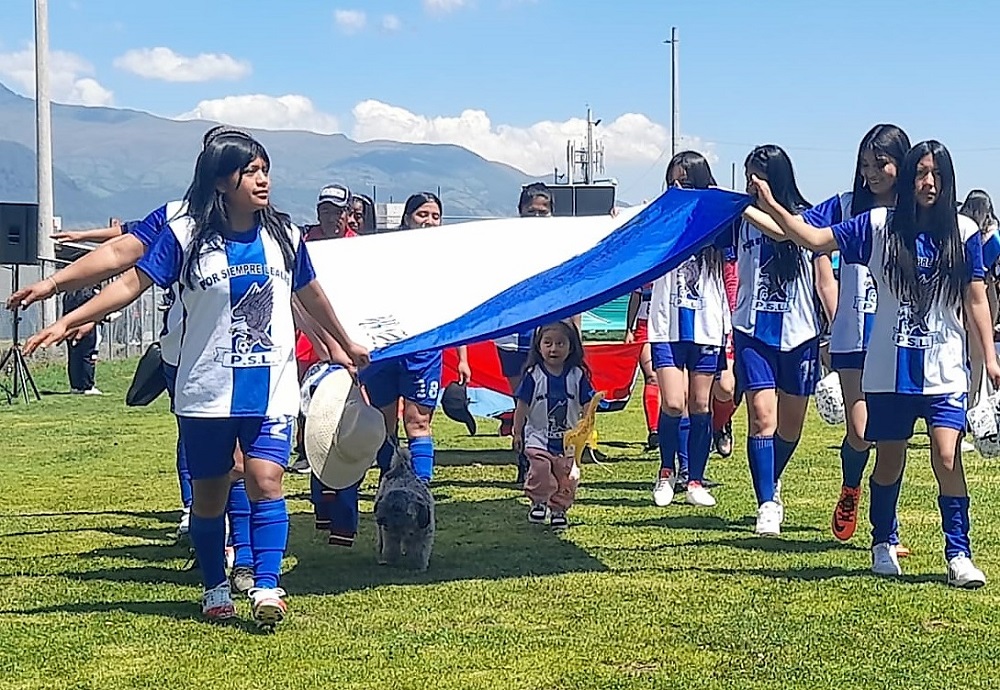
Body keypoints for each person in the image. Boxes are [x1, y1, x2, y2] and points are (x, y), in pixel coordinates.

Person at [25, 130, 370, 623]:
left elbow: (309, 293)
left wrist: (344, 341)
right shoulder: (184, 233)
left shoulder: (286, 236)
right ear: (220, 180)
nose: (263, 180)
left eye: (265, 170)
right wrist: (69, 315)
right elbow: (129, 278)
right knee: (210, 496)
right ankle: (214, 586)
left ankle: (266, 586)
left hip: (271, 388)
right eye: (250, 172)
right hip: (206, 391)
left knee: (266, 479)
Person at [750, 139, 997, 588]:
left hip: (944, 368)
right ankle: (883, 540)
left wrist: (991, 359)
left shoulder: (963, 232)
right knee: (888, 460)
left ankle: (959, 554)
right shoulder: (879, 225)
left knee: (947, 456)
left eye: (937, 174)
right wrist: (769, 204)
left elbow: (976, 298)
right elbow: (812, 239)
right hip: (886, 371)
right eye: (920, 173)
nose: (928, 183)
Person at [801, 124, 912, 543]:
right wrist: (755, 206)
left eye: (880, 163)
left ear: (901, 163)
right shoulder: (846, 206)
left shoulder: (914, 212)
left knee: (892, 441)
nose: (871, 173)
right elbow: (796, 229)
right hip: (853, 340)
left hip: (899, 341)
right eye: (865, 165)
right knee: (862, 433)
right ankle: (851, 487)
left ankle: (887, 531)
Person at [733, 145, 838, 536]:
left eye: (757, 176)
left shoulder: (809, 218)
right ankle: (766, 503)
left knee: (790, 427)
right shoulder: (738, 220)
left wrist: (836, 330)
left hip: (800, 334)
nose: (750, 184)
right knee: (763, 418)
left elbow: (824, 279)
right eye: (747, 176)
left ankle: (771, 477)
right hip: (752, 332)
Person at [360, 192, 471, 485]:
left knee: (418, 422)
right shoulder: (384, 253)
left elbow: (456, 311)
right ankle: (389, 482)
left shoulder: (448, 262)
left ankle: (421, 487)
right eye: (422, 214)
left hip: (424, 351)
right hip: (385, 349)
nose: (429, 221)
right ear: (407, 218)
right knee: (384, 423)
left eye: (435, 216)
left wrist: (462, 358)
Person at [648, 151, 731, 508]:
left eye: (684, 181)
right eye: (672, 183)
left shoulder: (717, 220)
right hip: (667, 325)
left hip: (707, 326)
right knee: (672, 401)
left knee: (700, 404)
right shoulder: (661, 218)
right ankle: (666, 472)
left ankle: (695, 478)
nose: (677, 188)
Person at [496, 182, 555, 485]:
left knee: (547, 402)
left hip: (549, 337)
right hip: (512, 338)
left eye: (543, 212)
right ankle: (524, 460)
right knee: (523, 401)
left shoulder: (562, 246)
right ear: (520, 212)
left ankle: (546, 462)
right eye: (531, 211)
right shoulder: (506, 245)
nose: (537, 217)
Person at [512, 320, 596, 529]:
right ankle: (539, 501)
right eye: (548, 343)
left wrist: (586, 425)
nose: (553, 349)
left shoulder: (577, 375)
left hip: (568, 441)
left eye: (560, 343)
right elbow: (522, 405)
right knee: (540, 467)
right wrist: (517, 432)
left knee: (566, 476)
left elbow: (588, 401)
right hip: (538, 436)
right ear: (538, 346)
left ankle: (559, 509)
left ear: (571, 347)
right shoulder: (533, 375)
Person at [960, 189, 1000, 409]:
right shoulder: (991, 236)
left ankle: (972, 401)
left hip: (960, 293)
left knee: (968, 351)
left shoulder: (960, 230)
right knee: (978, 353)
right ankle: (973, 403)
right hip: (982, 293)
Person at [625, 282, 659, 450]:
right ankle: (654, 431)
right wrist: (629, 329)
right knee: (652, 377)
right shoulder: (645, 272)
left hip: (672, 326)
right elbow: (635, 296)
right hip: (645, 327)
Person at [62, 285, 102, 394]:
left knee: (74, 355)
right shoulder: (90, 293)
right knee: (88, 355)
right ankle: (87, 386)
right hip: (88, 328)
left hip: (71, 327)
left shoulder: (69, 293)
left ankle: (76, 385)